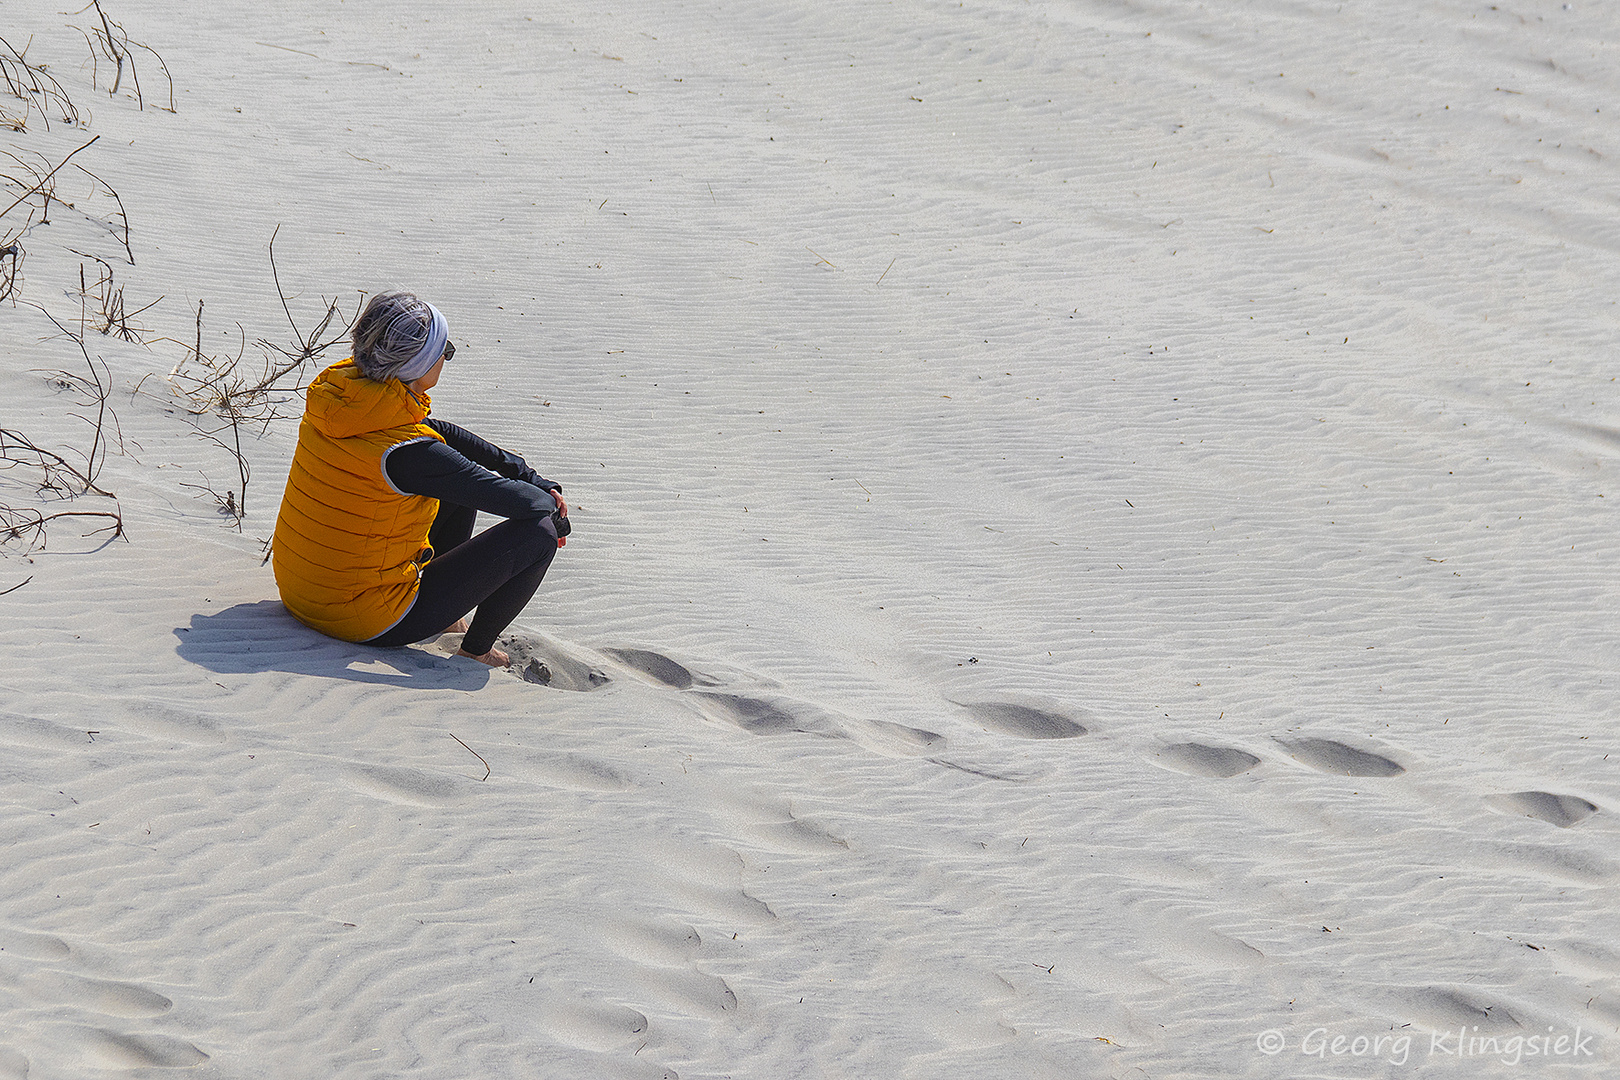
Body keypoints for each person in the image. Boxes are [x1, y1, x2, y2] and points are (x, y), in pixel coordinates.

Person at [272, 291, 567, 667]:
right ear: (420, 363)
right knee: (539, 534)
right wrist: (555, 510)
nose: (447, 357)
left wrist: (529, 476)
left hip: (303, 591)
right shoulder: (410, 454)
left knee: (458, 481)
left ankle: (448, 618)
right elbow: (528, 506)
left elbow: (440, 431)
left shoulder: (345, 399)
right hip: (361, 620)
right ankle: (476, 651)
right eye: (445, 350)